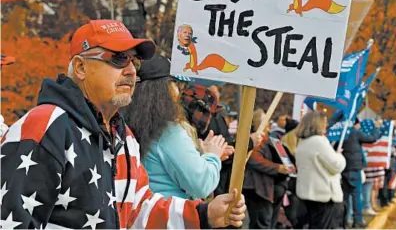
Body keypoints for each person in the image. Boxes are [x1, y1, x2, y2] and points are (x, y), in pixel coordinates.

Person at [0, 20, 246, 229]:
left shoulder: (123, 135)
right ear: (81, 67)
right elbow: (10, 220)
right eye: (118, 58)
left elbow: (137, 210)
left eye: (134, 61)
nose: (131, 71)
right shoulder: (45, 126)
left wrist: (204, 214)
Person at [120, 55, 229, 200]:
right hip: (169, 216)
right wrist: (212, 155)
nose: (179, 92)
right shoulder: (167, 132)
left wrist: (201, 155)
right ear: (164, 90)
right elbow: (201, 185)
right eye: (176, 84)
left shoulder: (124, 125)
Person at [242, 109, 292, 229]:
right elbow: (254, 159)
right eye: (265, 119)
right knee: (262, 224)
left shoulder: (268, 139)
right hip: (257, 188)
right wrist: (277, 168)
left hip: (267, 188)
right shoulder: (254, 139)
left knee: (268, 223)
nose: (268, 122)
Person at [295, 111, 346, 229]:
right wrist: (339, 155)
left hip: (309, 195)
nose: (326, 125)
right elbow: (336, 165)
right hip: (324, 196)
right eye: (324, 122)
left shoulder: (302, 142)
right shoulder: (319, 141)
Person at [341, 117, 382, 228]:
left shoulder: (340, 132)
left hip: (343, 169)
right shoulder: (354, 132)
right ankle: (358, 221)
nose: (359, 127)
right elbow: (372, 138)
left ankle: (345, 220)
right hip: (354, 169)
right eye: (358, 125)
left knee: (345, 197)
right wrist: (376, 128)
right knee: (356, 196)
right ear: (355, 124)